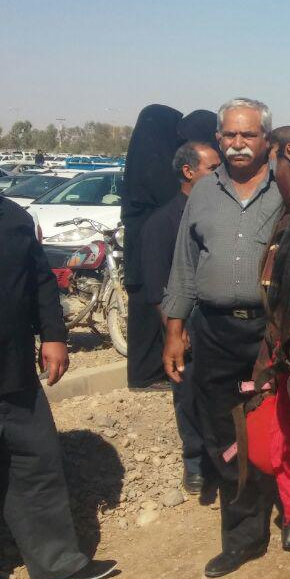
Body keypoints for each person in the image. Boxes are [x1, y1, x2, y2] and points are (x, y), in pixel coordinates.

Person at [0, 133, 118, 579]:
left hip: (15, 377)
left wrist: (53, 336)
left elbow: (38, 282)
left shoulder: (10, 217)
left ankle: (57, 561)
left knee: (37, 470)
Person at [162, 98, 289, 576]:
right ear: (219, 139)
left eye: (248, 135)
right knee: (224, 433)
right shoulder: (203, 192)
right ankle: (243, 535)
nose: (238, 144)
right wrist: (174, 330)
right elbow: (184, 265)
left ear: (266, 140)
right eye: (230, 135)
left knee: (286, 421)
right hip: (214, 332)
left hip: (273, 330)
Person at [138, 141, 222, 495]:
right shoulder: (162, 223)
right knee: (188, 396)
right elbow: (157, 286)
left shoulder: (219, 214)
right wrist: (176, 328)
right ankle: (195, 462)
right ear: (188, 172)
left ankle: (227, 458)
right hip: (185, 325)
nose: (220, 174)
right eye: (212, 168)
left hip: (220, 325)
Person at [121, 104, 184, 388]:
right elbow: (167, 196)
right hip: (147, 248)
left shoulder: (140, 160)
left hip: (140, 246)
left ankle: (149, 372)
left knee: (147, 309)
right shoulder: (154, 164)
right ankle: (144, 376)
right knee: (146, 311)